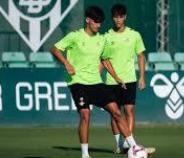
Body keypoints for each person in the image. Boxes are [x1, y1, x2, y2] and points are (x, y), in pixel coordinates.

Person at [50, 6, 140, 158]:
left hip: (96, 82)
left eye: (100, 23)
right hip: (78, 82)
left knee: (117, 112)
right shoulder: (74, 36)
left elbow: (105, 60)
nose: (98, 25)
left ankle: (134, 147)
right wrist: (66, 63)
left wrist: (117, 78)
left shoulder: (102, 40)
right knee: (85, 114)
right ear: (88, 20)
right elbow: (55, 49)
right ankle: (85, 154)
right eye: (96, 22)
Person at [104, 3, 155, 154]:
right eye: (115, 17)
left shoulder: (134, 35)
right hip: (111, 81)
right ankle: (119, 145)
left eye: (121, 16)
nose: (118, 19)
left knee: (129, 111)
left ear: (125, 17)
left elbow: (141, 56)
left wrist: (142, 77)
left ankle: (128, 143)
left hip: (130, 79)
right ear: (112, 18)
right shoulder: (106, 36)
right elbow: (103, 59)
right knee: (115, 113)